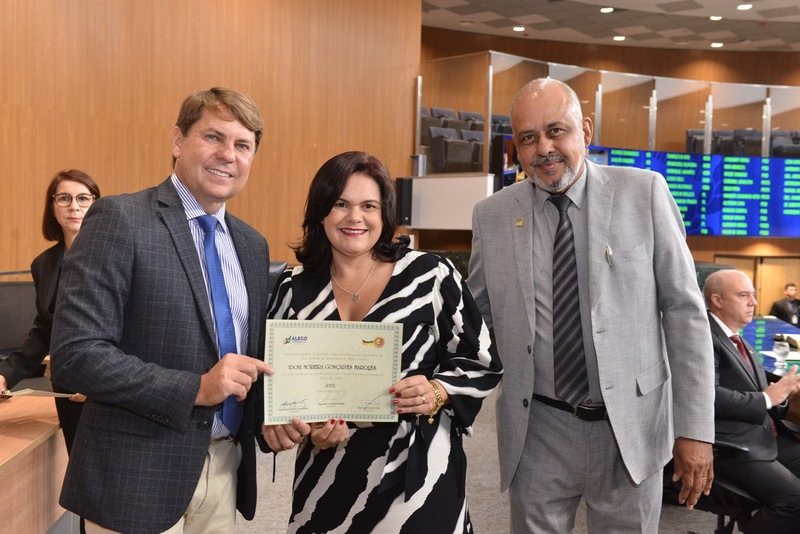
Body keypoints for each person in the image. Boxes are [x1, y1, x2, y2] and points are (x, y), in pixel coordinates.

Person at [467, 78, 715, 532]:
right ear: (516, 148)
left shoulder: (644, 192)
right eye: (528, 137)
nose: (544, 149)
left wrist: (695, 428)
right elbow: (472, 322)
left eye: (556, 131)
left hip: (630, 429)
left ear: (585, 129)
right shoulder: (492, 215)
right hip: (537, 429)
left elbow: (685, 314)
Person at [50, 87, 273, 534]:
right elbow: (76, 356)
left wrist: (279, 417)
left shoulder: (252, 245)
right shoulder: (120, 219)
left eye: (243, 145)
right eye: (213, 137)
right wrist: (196, 388)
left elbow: (246, 359)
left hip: (224, 469)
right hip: (135, 478)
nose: (228, 155)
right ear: (177, 140)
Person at [262, 151, 503, 533]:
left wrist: (437, 391)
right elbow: (272, 383)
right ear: (321, 212)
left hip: (416, 477)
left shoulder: (430, 275)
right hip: (325, 481)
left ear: (384, 213)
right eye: (341, 204)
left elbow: (480, 358)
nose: (354, 217)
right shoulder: (293, 288)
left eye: (368, 206)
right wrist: (300, 425)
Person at [0, 169, 100, 453]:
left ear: (97, 205)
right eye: (64, 198)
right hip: (68, 388)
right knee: (78, 469)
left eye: (83, 198)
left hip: (110, 390)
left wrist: (100, 379)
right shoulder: (43, 264)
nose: (74, 206)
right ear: (52, 207)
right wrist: (5, 374)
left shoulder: (117, 255)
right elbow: (45, 328)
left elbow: (133, 325)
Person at [704, 269, 800, 533]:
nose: (754, 303)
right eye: (743, 295)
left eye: (754, 295)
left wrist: (781, 394)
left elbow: (762, 396)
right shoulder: (703, 337)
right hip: (733, 445)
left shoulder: (740, 340)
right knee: (795, 503)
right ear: (717, 300)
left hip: (766, 435)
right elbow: (705, 396)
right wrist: (768, 397)